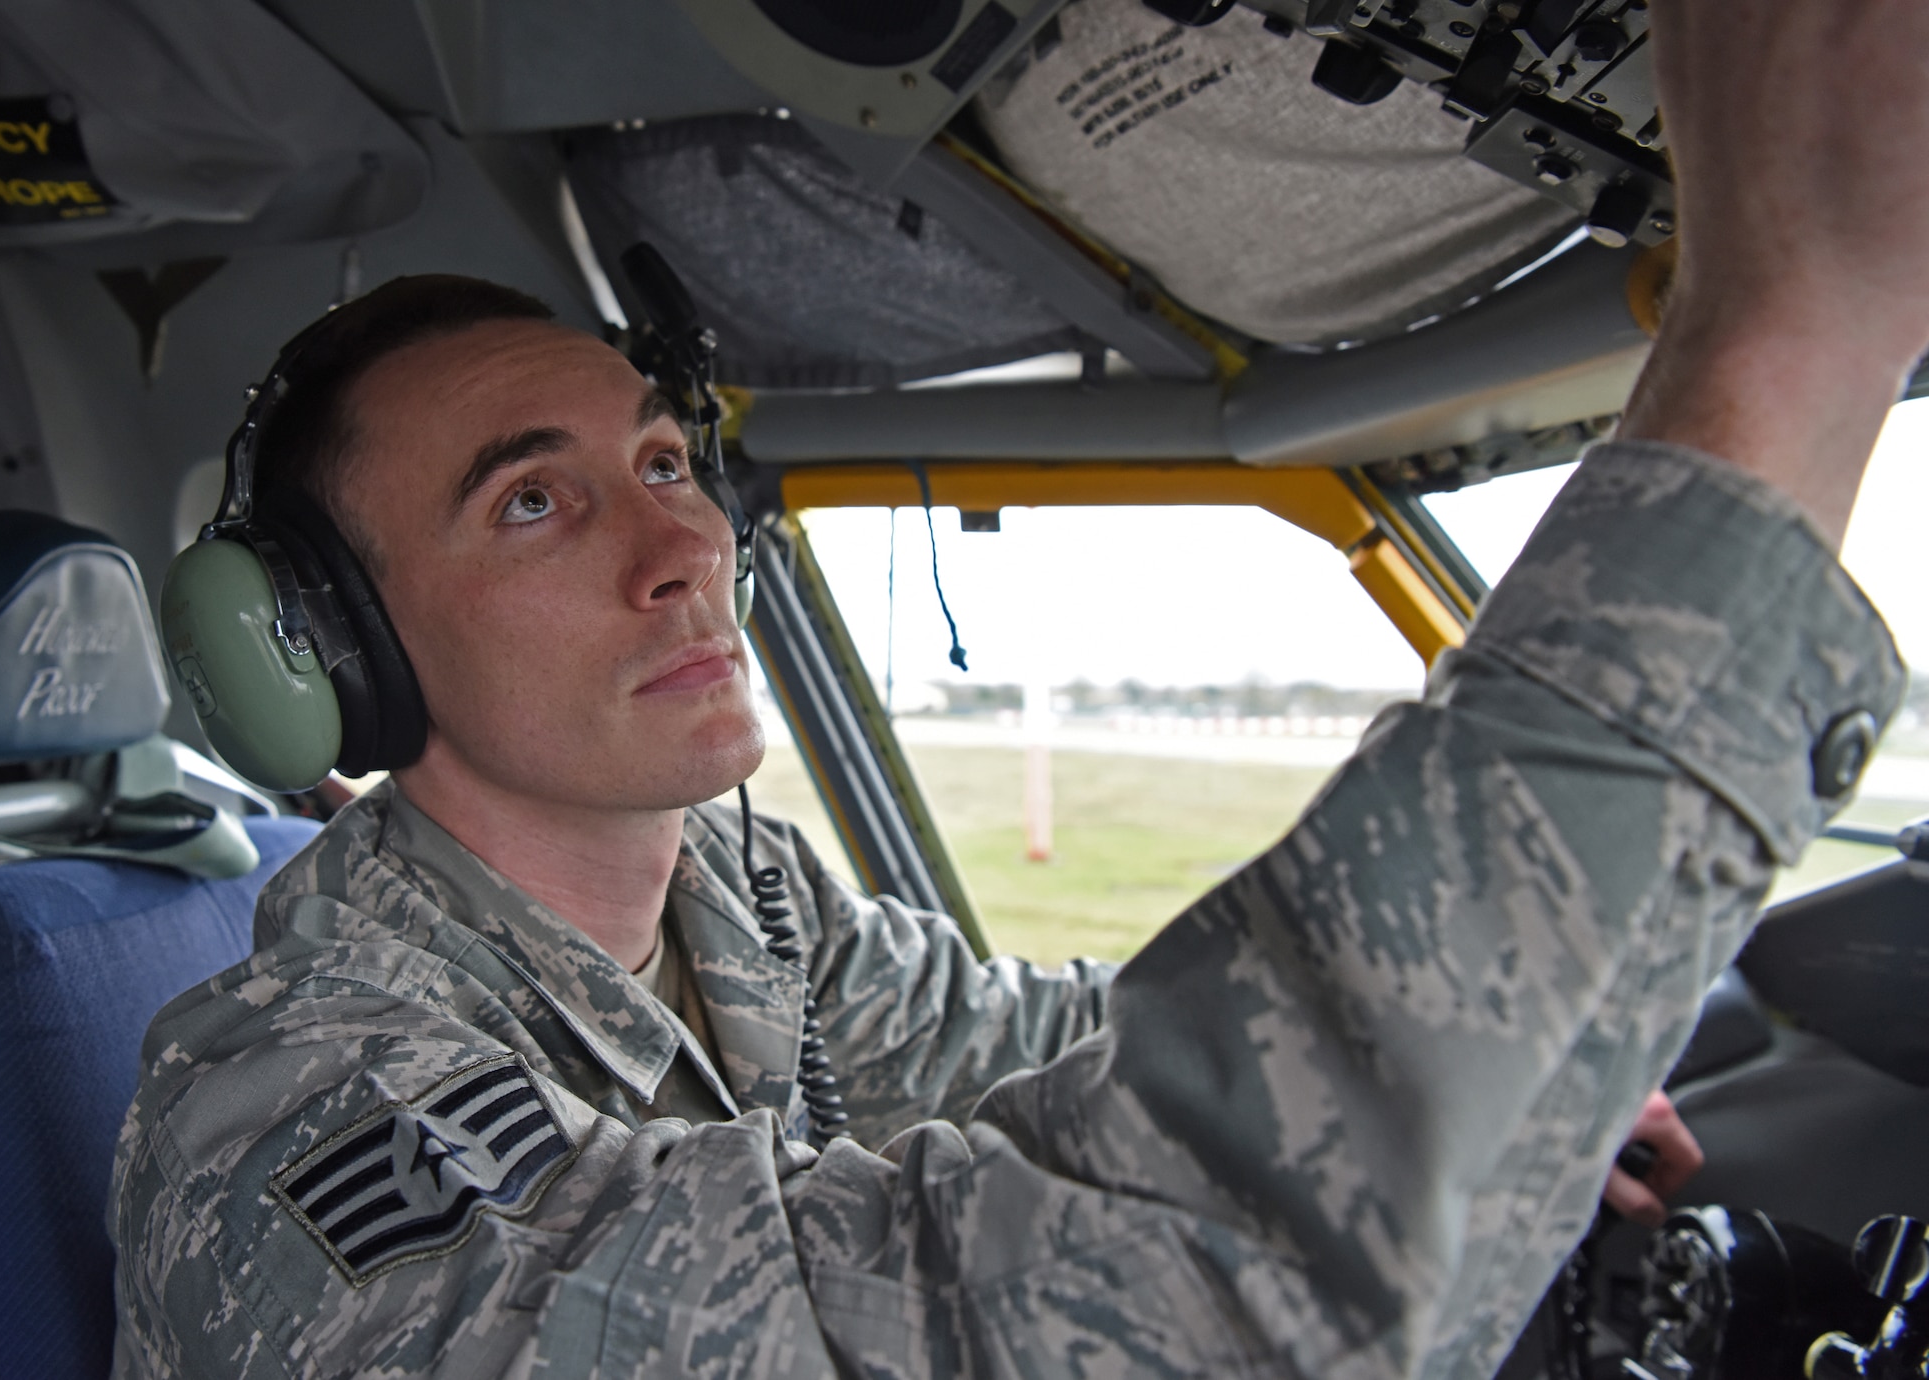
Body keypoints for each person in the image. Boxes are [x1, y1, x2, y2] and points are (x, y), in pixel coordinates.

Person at [107, 0, 1919, 1373]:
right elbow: (1030, 1316)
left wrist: (1533, 1072)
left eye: (665, 463)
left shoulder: (745, 895)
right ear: (321, 657)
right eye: (531, 503)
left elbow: (1042, 1046)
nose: (678, 550)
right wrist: (1790, 328)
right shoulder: (291, 1114)